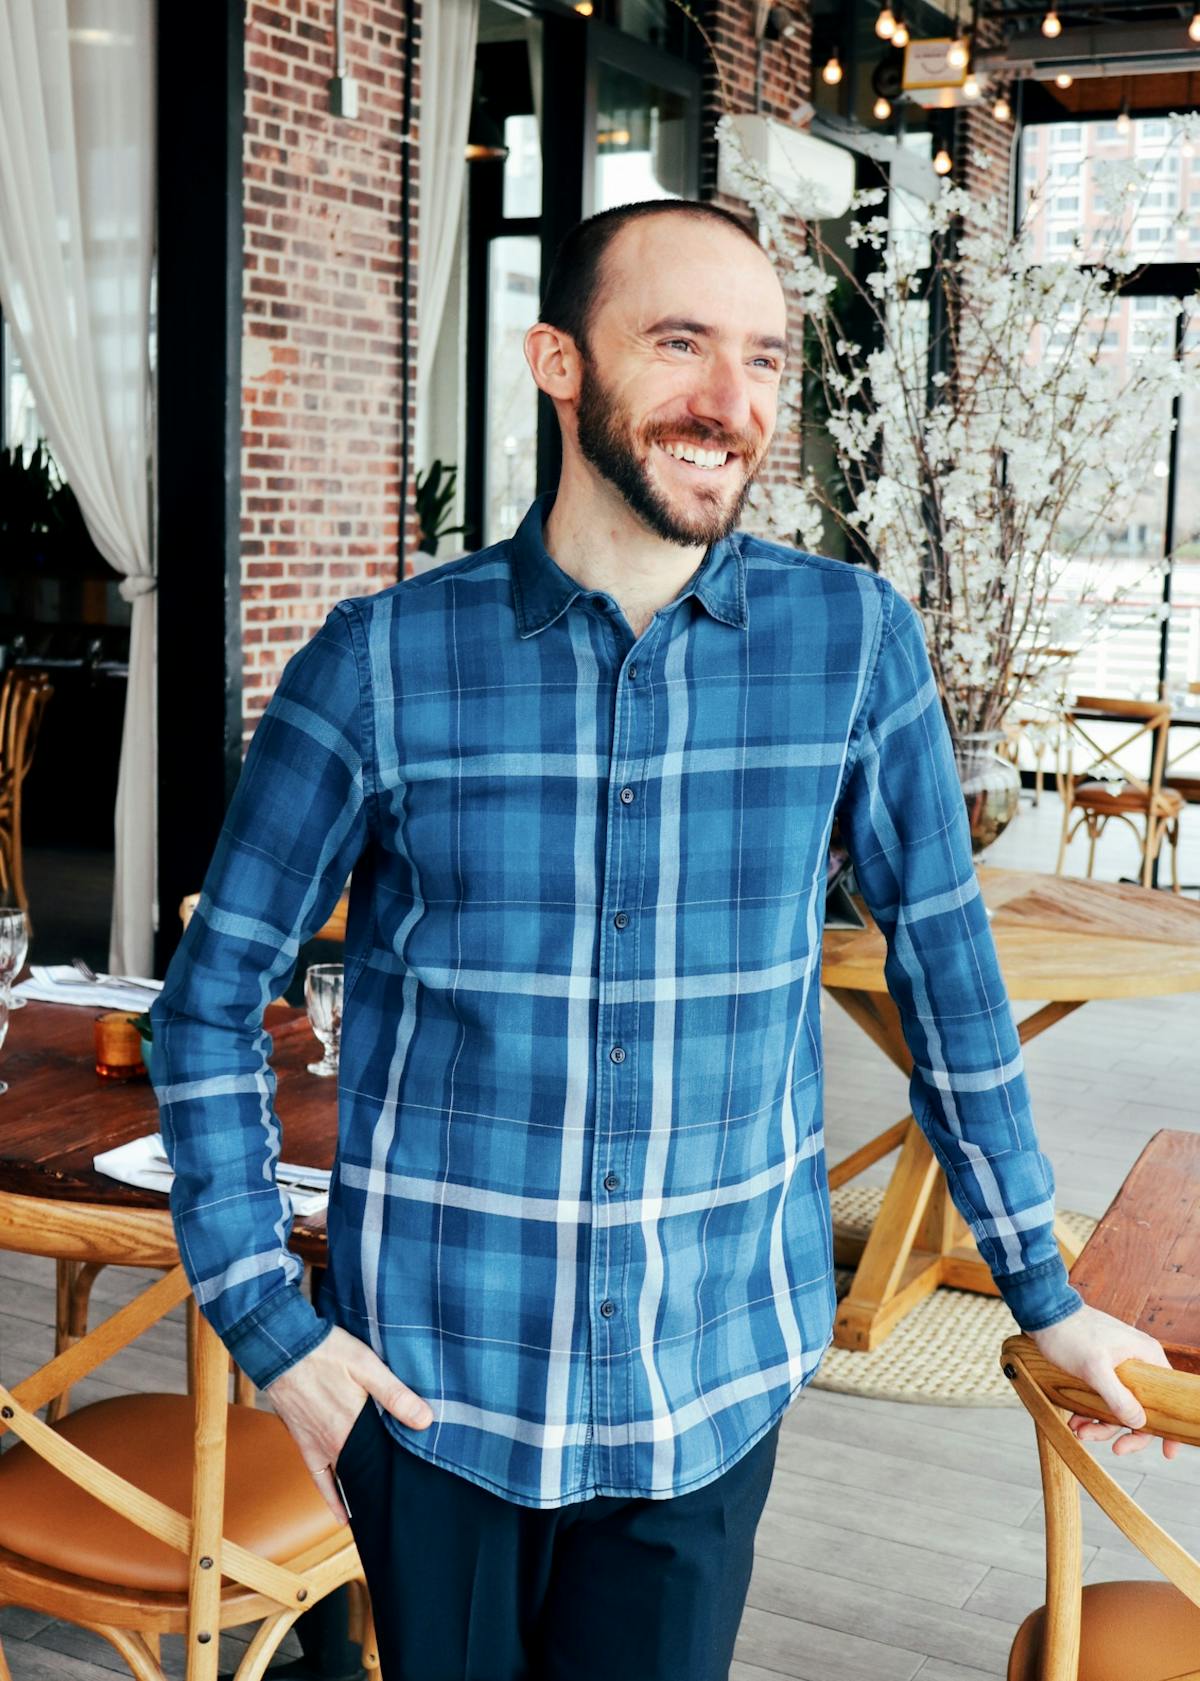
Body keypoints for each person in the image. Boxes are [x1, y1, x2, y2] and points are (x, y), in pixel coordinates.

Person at [153, 199, 1177, 1681]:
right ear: (558, 362)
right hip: (437, 1391)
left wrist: (1046, 1289)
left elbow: (951, 986)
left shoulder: (855, 649)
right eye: (681, 342)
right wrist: (267, 1319)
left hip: (710, 1381)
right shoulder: (378, 662)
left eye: (762, 357)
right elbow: (209, 1000)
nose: (731, 401)